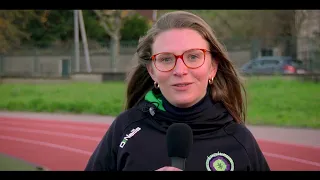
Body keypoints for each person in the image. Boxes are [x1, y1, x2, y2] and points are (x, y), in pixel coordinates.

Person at [84, 10, 270, 171]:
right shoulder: (125, 129)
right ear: (152, 71)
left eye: (193, 56)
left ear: (212, 67)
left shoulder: (239, 140)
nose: (180, 71)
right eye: (166, 59)